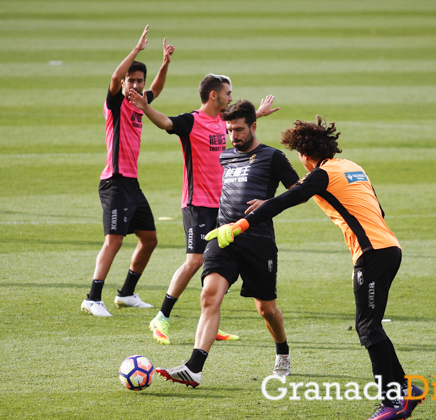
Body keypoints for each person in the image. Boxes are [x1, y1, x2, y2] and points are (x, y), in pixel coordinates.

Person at [202, 116, 424, 420]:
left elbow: (289, 199)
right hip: (388, 248)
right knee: (371, 326)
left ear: (305, 155)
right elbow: (377, 209)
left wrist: (240, 224)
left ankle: (391, 401)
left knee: (368, 329)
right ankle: (405, 391)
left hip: (372, 254)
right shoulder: (351, 166)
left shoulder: (322, 174)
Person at [153, 100, 298, 386]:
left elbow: (298, 191)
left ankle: (283, 352)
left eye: (240, 129)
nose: (234, 136)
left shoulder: (273, 157)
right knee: (209, 297)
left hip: (258, 243)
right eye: (230, 130)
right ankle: (194, 368)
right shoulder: (226, 156)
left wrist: (268, 203)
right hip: (224, 238)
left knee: (266, 309)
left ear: (254, 127)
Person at [129, 75, 279, 344]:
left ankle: (209, 322)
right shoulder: (191, 121)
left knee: (216, 265)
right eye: (227, 93)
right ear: (214, 95)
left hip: (223, 208)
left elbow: (241, 127)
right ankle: (161, 317)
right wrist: (146, 107)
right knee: (195, 261)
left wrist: (258, 114)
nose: (231, 97)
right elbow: (166, 123)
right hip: (197, 205)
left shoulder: (224, 123)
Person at [80, 26, 175, 317]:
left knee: (149, 239)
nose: (135, 85)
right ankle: (93, 298)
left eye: (139, 80)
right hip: (114, 182)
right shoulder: (116, 102)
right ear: (123, 81)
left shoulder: (138, 103)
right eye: (131, 80)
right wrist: (136, 50)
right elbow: (112, 79)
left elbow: (155, 90)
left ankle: (126, 293)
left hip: (131, 184)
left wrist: (164, 64)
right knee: (115, 239)